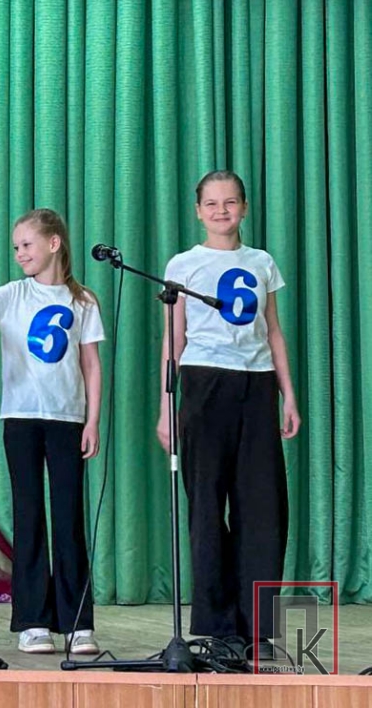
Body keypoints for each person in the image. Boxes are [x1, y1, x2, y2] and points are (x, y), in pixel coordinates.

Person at [157, 170, 300, 661]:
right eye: (212, 203)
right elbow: (174, 340)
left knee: (261, 507)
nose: (222, 211)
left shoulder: (261, 262)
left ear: (244, 208)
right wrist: (166, 407)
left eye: (231, 202)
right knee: (205, 506)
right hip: (204, 385)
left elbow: (273, 331)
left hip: (256, 386)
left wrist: (288, 395)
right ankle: (218, 628)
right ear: (198, 211)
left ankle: (258, 629)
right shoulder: (183, 264)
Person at [0, 208, 103, 655]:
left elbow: (91, 365)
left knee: (69, 520)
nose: (19, 253)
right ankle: (33, 621)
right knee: (29, 515)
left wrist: (92, 420)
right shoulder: (13, 294)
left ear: (54, 244)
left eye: (27, 245)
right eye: (16, 247)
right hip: (20, 419)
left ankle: (77, 622)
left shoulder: (82, 301)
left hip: (68, 420)